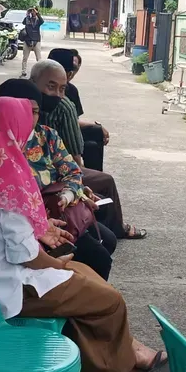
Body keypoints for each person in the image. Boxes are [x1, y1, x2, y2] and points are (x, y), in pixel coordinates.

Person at [0, 98, 170, 372]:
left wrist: (47, 242)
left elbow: (2, 233)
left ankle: (129, 359)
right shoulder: (7, 181)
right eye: (24, 124)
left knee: (86, 277)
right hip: (6, 289)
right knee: (109, 300)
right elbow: (27, 256)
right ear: (12, 129)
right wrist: (59, 265)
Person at [0, 78, 116, 280]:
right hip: (25, 227)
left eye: (34, 111)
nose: (28, 117)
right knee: (98, 259)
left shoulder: (46, 136)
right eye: (21, 110)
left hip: (57, 212)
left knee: (107, 240)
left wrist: (68, 195)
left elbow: (73, 172)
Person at [29, 60, 145, 239]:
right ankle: (115, 228)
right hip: (41, 193)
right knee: (104, 181)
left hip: (61, 170)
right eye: (51, 87)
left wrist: (75, 184)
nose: (57, 94)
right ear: (33, 82)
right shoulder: (11, 126)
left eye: (62, 89)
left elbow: (73, 162)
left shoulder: (51, 127)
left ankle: (104, 227)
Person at [48, 47, 108, 170]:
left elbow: (73, 121)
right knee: (90, 144)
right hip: (53, 137)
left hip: (58, 133)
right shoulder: (63, 104)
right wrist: (78, 168)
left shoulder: (71, 91)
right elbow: (71, 127)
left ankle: (93, 176)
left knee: (95, 133)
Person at [20, 6, 44, 76]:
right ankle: (23, 71)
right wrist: (27, 14)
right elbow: (23, 22)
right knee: (25, 58)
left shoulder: (38, 20)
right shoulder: (28, 19)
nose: (32, 12)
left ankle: (40, 72)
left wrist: (37, 13)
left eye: (33, 11)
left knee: (39, 58)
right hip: (27, 40)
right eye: (31, 11)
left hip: (36, 40)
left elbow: (42, 21)